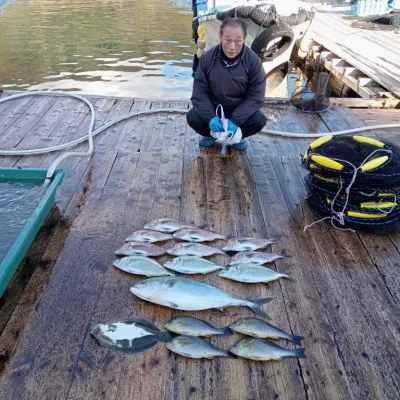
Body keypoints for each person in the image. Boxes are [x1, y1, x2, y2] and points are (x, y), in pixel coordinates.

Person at [187, 18, 267, 150]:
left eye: (237, 41)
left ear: (244, 39)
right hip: (214, 109)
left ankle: (238, 136)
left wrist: (236, 120)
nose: (232, 47)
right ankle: (211, 135)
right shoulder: (208, 58)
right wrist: (211, 117)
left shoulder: (253, 61)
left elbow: (256, 97)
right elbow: (199, 93)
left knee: (259, 120)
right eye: (228, 40)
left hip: (239, 110)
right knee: (193, 117)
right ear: (220, 37)